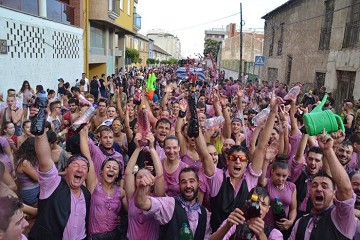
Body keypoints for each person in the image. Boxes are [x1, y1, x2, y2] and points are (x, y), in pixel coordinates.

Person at [288, 130, 357, 240]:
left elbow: (345, 190)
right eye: (314, 185)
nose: (319, 189)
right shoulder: (300, 223)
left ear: (335, 193)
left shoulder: (341, 220)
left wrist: (329, 150)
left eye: (324, 186)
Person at [28, 127, 91, 240]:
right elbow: (45, 160)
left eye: (84, 167)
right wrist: (40, 133)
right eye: (76, 165)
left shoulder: (86, 194)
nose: (80, 170)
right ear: (66, 170)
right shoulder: (53, 185)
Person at [134, 167, 212, 239]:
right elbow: (141, 203)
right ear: (179, 185)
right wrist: (141, 188)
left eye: (191, 181)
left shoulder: (205, 213)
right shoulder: (170, 204)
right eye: (184, 182)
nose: (188, 185)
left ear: (198, 183)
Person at [79, 125, 127, 239]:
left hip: (115, 234)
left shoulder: (120, 192)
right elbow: (87, 156)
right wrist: (83, 131)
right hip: (95, 235)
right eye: (105, 137)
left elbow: (131, 213)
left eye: (115, 168)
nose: (111, 169)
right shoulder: (94, 186)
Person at [125, 132, 165, 240]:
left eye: (146, 176)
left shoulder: (157, 197)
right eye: (139, 177)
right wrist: (138, 148)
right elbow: (128, 173)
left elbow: (160, 174)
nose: (142, 179)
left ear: (152, 181)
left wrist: (152, 148)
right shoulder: (132, 196)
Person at [209, 186, 283, 240]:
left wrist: (261, 235)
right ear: (247, 203)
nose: (258, 207)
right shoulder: (234, 223)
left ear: (268, 209)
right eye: (255, 202)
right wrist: (226, 226)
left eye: (263, 204)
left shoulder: (274, 233)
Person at [14, 137, 39, 207]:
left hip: (32, 190)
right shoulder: (25, 162)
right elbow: (37, 178)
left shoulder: (24, 158)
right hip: (31, 193)